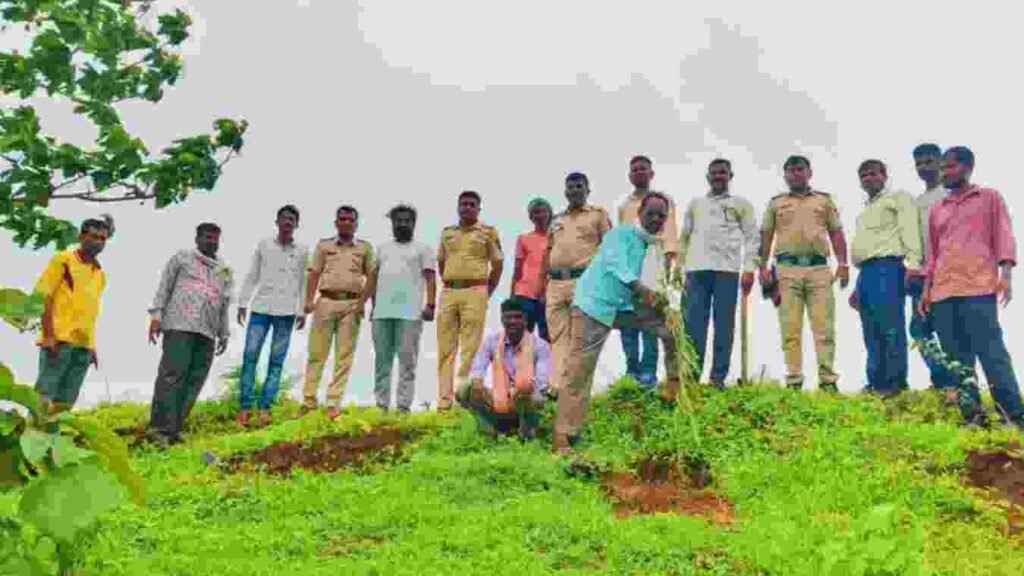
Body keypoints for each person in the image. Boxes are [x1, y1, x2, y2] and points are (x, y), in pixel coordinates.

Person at [552, 192, 681, 455]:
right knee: (580, 370)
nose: (655, 219)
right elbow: (616, 265)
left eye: (661, 216)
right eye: (651, 214)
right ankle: (564, 438)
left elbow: (658, 284)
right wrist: (641, 289)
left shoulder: (654, 247)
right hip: (594, 305)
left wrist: (666, 303)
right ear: (640, 214)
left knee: (672, 330)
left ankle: (673, 386)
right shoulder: (620, 235)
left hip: (627, 306)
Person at [920, 146, 1023, 431]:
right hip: (943, 292)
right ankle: (973, 416)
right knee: (956, 358)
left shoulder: (989, 198)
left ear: (967, 167)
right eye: (942, 168)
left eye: (950, 167)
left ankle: (1012, 415)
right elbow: (933, 254)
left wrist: (1006, 274)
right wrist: (927, 290)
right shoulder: (937, 209)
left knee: (991, 352)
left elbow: (1003, 235)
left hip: (978, 287)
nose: (944, 173)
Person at [758, 155, 850, 391]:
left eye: (799, 169)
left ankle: (828, 380)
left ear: (809, 173)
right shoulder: (776, 203)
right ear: (785, 175)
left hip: (819, 268)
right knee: (790, 327)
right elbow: (766, 236)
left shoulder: (824, 201)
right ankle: (794, 379)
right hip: (786, 269)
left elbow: (837, 233)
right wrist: (762, 268)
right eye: (790, 170)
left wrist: (843, 263)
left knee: (824, 327)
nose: (795, 174)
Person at [146, 222, 233, 448]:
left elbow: (224, 302)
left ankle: (174, 430)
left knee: (195, 379)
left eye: (215, 238)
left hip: (207, 330)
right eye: (207, 237)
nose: (211, 241)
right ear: (197, 238)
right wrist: (156, 316)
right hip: (179, 325)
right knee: (172, 375)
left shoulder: (223, 269)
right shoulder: (182, 258)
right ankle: (158, 430)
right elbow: (164, 286)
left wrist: (223, 332)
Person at [678, 159, 760, 389]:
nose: (718, 176)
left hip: (728, 271)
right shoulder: (696, 204)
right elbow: (684, 237)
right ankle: (691, 378)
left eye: (723, 173)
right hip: (696, 271)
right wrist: (680, 269)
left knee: (724, 325)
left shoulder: (740, 204)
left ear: (730, 176)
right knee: (693, 326)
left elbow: (752, 237)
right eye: (714, 173)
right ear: (707, 176)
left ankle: (718, 379)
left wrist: (749, 268)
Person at [848, 160, 922, 397]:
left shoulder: (897, 198)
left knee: (891, 326)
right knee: (870, 329)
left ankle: (895, 383)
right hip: (866, 272)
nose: (868, 179)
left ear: (884, 175)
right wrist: (858, 286)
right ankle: (875, 382)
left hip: (888, 268)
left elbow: (910, 231)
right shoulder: (865, 210)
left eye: (873, 174)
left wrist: (914, 265)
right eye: (863, 175)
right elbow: (866, 247)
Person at [32, 215, 113, 427]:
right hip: (59, 341)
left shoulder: (100, 273)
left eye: (103, 239)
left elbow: (89, 311)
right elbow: (44, 297)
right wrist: (48, 335)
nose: (99, 242)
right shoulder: (63, 260)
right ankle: (32, 439)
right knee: (44, 396)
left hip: (83, 347)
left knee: (66, 401)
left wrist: (92, 347)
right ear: (81, 236)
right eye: (94, 236)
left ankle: (52, 442)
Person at [539, 172, 612, 398]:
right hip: (556, 283)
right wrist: (543, 283)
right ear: (565, 191)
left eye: (579, 186)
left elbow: (609, 249)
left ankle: (577, 388)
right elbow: (548, 252)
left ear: (588, 190)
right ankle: (557, 386)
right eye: (570, 187)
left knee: (581, 337)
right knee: (558, 336)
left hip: (584, 281)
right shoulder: (556, 220)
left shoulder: (598, 215)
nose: (574, 190)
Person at [235, 205, 309, 427]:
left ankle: (265, 408)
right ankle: (245, 408)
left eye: (292, 219)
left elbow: (304, 282)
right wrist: (242, 303)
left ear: (296, 224)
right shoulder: (264, 245)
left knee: (276, 361)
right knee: (250, 356)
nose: (287, 222)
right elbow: (252, 275)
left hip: (286, 312)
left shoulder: (303, 250)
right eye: (284, 218)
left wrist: (302, 310)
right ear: (277, 221)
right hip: (260, 309)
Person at [300, 205, 374, 420]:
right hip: (325, 302)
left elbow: (372, 276)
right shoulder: (324, 246)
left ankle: (333, 402)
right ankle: (308, 400)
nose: (346, 223)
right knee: (317, 353)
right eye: (342, 219)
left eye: (351, 220)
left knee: (344, 356)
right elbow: (314, 273)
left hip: (351, 305)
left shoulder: (364, 248)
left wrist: (363, 303)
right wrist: (308, 301)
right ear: (336, 222)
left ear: (356, 224)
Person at [615, 155, 681, 387]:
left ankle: (648, 373)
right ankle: (631, 370)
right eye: (634, 169)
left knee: (652, 322)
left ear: (651, 174)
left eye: (643, 169)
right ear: (630, 175)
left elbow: (670, 237)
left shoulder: (664, 201)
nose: (638, 172)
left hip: (654, 268)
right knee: (628, 321)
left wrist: (669, 269)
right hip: (630, 272)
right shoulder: (624, 206)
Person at [436, 191, 504, 411]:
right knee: (445, 347)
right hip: (449, 291)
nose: (467, 208)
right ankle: (443, 401)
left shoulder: (488, 232)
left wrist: (486, 291)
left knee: (470, 346)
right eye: (463, 204)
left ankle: (463, 397)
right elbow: (441, 263)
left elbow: (498, 265)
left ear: (478, 208)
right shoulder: (447, 233)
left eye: (471, 204)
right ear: (457, 207)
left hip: (476, 290)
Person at [366, 204, 436, 413]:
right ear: (392, 223)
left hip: (411, 314)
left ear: (414, 223)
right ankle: (381, 407)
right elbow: (373, 279)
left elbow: (431, 279)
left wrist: (431, 305)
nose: (402, 224)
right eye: (399, 220)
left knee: (407, 362)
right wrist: (373, 306)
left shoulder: (423, 249)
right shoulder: (382, 249)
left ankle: (403, 408)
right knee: (382, 362)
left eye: (407, 220)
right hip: (382, 314)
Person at [458, 298, 551, 440]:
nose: (513, 321)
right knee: (465, 388)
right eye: (509, 317)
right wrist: (477, 381)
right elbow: (477, 368)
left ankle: (526, 432)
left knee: (529, 390)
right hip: (499, 399)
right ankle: (489, 430)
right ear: (502, 319)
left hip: (524, 399)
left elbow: (542, 384)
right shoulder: (492, 340)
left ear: (525, 320)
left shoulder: (540, 346)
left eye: (517, 317)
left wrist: (518, 391)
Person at [907, 143, 954, 398]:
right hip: (923, 274)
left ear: (940, 162)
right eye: (919, 163)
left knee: (948, 328)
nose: (924, 167)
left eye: (928, 161)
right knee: (919, 330)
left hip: (949, 272)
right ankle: (942, 379)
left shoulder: (950, 194)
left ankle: (957, 383)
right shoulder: (917, 202)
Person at [510, 198, 552, 340]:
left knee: (547, 338)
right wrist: (512, 295)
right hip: (524, 293)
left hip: (549, 294)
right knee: (522, 337)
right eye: (535, 213)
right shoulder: (523, 239)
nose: (539, 215)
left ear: (549, 214)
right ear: (531, 217)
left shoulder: (557, 238)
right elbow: (517, 268)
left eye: (543, 212)